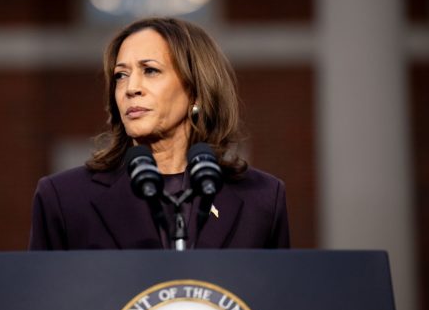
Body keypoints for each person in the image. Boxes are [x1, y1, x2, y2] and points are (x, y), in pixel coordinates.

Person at [28, 17, 289, 250]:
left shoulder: (262, 198)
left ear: (196, 90)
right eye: (121, 75)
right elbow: (42, 300)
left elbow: (277, 300)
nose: (131, 88)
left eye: (150, 70)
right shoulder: (64, 198)